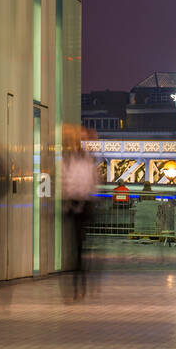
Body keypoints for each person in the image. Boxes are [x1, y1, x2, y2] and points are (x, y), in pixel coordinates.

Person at [62, 126, 99, 299]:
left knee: (79, 245)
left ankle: (79, 283)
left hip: (83, 204)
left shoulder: (82, 160)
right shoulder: (81, 160)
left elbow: (87, 183)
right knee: (78, 245)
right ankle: (80, 282)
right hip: (78, 203)